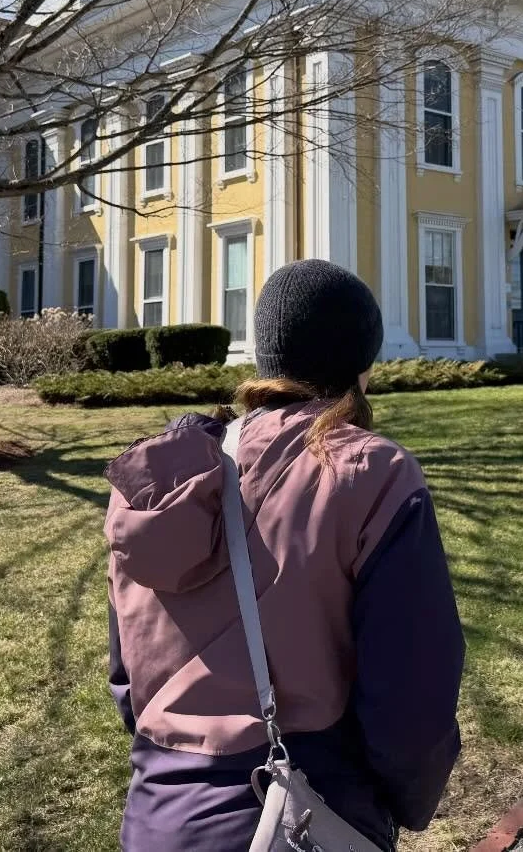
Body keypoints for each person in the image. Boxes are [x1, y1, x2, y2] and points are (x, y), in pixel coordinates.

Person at [104, 259, 465, 851]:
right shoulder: (373, 473)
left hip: (159, 812)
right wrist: (401, 802)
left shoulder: (159, 478)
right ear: (362, 365)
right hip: (307, 810)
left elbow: (125, 673)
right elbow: (411, 696)